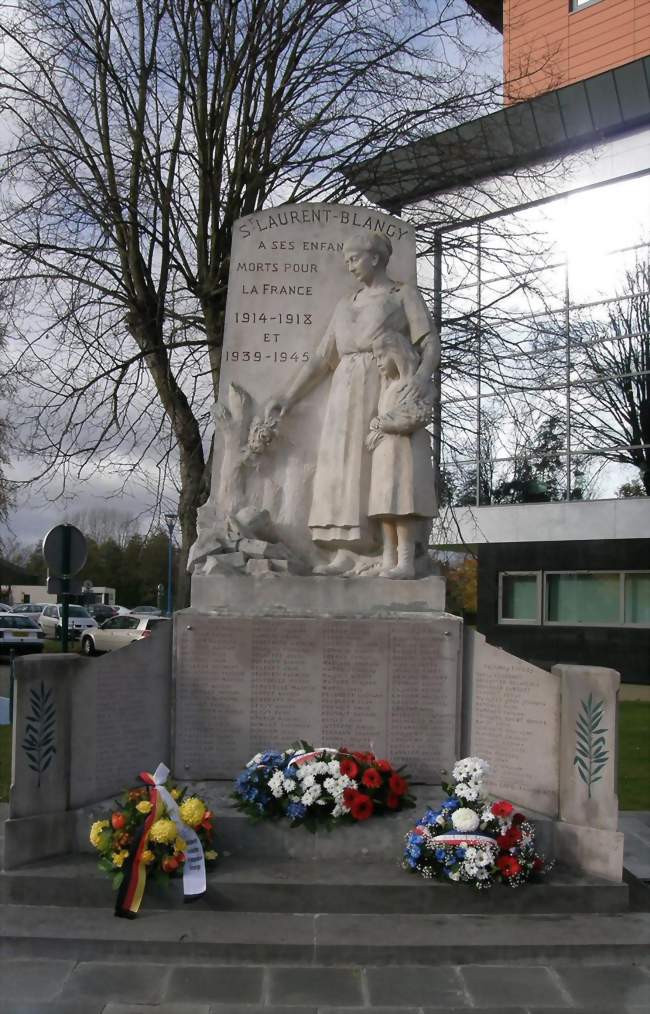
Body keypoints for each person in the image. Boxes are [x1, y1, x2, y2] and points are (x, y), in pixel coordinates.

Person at [264, 231, 439, 575]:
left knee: (377, 471)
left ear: (375, 258)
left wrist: (419, 380)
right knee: (339, 468)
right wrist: (288, 396)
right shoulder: (345, 303)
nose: (349, 266)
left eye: (354, 258)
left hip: (380, 386)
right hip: (344, 389)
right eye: (345, 260)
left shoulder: (402, 294)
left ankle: (380, 551)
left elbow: (429, 341)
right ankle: (343, 550)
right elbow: (321, 358)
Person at [366, 331, 435, 579]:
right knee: (385, 506)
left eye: (381, 356)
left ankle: (406, 563)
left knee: (404, 506)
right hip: (385, 454)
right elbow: (383, 420)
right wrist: (376, 430)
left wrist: (382, 425)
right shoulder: (389, 388)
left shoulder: (418, 385)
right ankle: (388, 559)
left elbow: (415, 416)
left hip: (407, 452)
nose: (378, 363)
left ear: (395, 353)